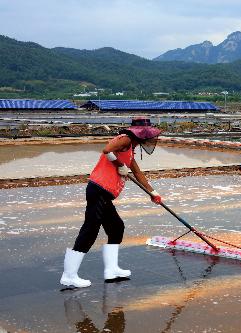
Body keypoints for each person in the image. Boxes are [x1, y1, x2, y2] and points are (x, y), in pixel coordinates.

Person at [60, 117, 163, 288]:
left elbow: (138, 173)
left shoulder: (130, 147)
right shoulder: (126, 139)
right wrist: (118, 164)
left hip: (104, 194)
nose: (149, 139)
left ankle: (111, 269)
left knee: (116, 228)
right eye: (147, 136)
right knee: (90, 230)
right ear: (140, 135)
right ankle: (69, 275)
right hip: (99, 190)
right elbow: (107, 150)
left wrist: (153, 193)